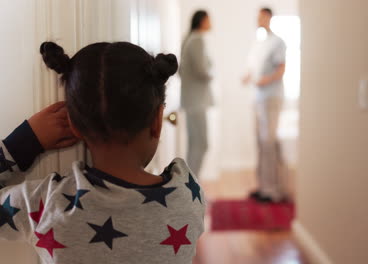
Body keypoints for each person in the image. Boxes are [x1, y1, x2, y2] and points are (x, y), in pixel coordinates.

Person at [0, 41, 205, 263]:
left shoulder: (47, 205)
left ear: (74, 125)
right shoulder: (188, 195)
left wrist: (26, 140)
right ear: (157, 121)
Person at [243, 7, 287, 203]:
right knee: (260, 143)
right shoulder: (260, 43)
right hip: (258, 99)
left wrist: (265, 80)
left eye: (262, 16)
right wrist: (250, 78)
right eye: (257, 16)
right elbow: (255, 69)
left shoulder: (278, 43)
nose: (258, 19)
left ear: (269, 18)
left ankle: (272, 190)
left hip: (271, 98)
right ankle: (262, 186)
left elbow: (281, 69)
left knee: (268, 142)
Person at [179, 10, 213, 178]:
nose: (211, 22)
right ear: (202, 21)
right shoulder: (197, 40)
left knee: (194, 144)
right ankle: (193, 185)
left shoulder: (189, 39)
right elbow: (202, 71)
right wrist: (213, 73)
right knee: (201, 143)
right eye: (209, 19)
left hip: (191, 101)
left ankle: (191, 185)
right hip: (196, 102)